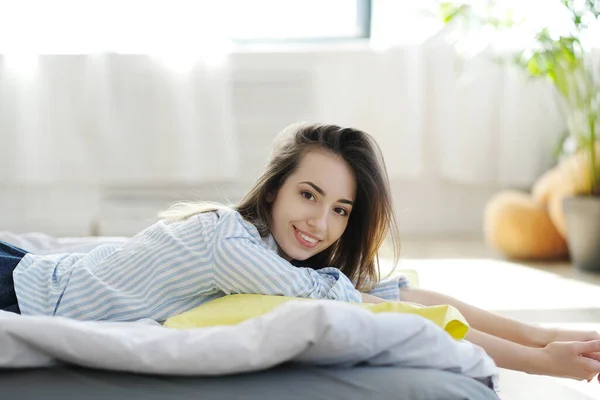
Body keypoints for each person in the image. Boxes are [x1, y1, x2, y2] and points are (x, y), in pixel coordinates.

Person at [1, 122, 599, 383]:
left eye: (340, 209)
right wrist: (534, 364)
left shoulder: (277, 252)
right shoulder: (229, 243)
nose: (320, 223)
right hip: (23, 288)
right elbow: (381, 310)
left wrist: (539, 334)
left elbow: (393, 293)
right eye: (308, 195)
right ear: (275, 188)